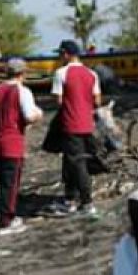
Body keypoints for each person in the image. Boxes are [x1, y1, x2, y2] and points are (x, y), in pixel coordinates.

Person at [0, 58, 43, 235]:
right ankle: (6, 220)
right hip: (12, 140)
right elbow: (28, 116)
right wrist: (39, 114)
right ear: (22, 73)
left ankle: (9, 215)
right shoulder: (22, 91)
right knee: (11, 182)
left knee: (5, 180)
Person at [48, 40, 102, 217]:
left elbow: (58, 101)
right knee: (71, 161)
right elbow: (97, 100)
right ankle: (70, 198)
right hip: (87, 124)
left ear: (65, 54)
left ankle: (87, 203)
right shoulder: (91, 73)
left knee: (77, 163)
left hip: (71, 123)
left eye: (60, 54)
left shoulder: (60, 73)